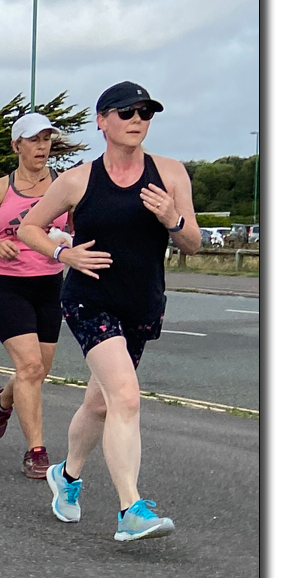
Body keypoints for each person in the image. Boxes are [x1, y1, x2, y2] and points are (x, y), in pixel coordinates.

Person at [17, 82, 201, 543]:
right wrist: (65, 256)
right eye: (126, 112)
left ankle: (68, 474)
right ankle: (130, 510)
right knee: (126, 396)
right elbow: (29, 227)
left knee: (100, 403)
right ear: (102, 121)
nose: (137, 120)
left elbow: (193, 243)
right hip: (88, 299)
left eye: (145, 113)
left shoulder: (171, 173)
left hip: (141, 303)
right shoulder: (79, 179)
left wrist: (171, 220)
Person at [0, 112, 70, 479]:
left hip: (50, 285)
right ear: (16, 145)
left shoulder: (64, 186)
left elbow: (82, 230)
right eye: (33, 139)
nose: (42, 146)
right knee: (30, 368)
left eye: (46, 139)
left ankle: (1, 400)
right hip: (8, 286)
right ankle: (36, 451)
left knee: (39, 371)